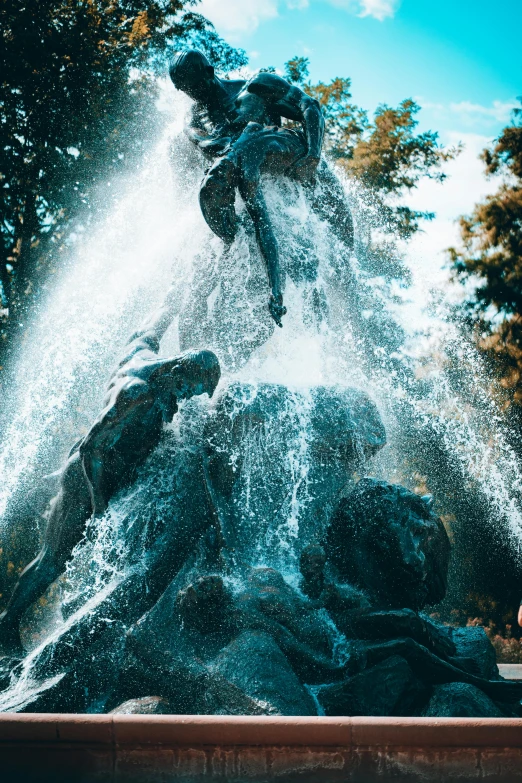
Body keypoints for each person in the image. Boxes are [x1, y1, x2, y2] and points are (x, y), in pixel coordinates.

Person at [0, 289, 220, 653]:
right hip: (88, 482)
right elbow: (92, 449)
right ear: (180, 370)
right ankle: (8, 626)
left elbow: (153, 322)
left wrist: (187, 283)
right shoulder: (139, 393)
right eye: (188, 388)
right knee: (53, 560)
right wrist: (100, 503)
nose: (186, 396)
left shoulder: (142, 354)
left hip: (107, 477)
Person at [169, 49, 354, 328]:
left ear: (209, 72)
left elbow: (309, 106)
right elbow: (221, 153)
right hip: (259, 188)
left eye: (194, 85)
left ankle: (349, 321)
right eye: (185, 89)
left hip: (304, 173)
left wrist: (313, 156)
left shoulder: (256, 87)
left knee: (344, 261)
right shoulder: (195, 122)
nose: (192, 94)